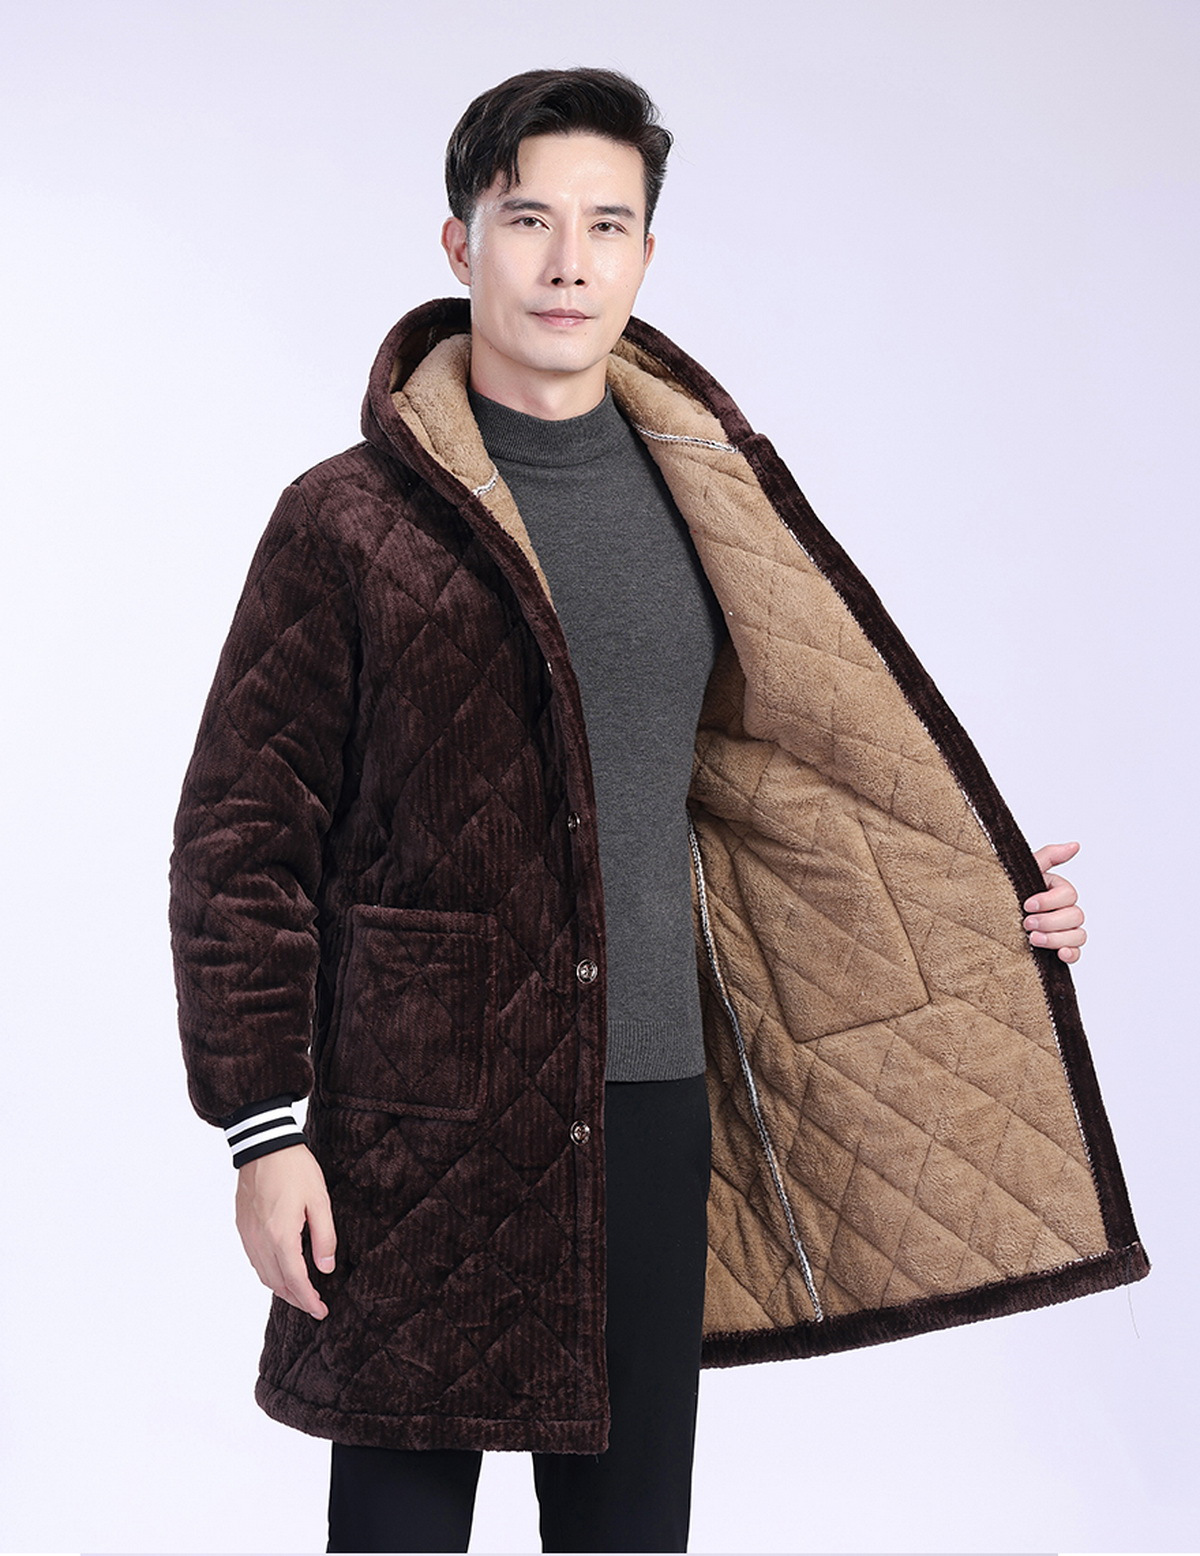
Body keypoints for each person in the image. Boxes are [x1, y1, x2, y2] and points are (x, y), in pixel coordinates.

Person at [168, 67, 1148, 1555]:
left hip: (645, 1098)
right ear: (460, 243)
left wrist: (979, 894)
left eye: (608, 224)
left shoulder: (711, 497)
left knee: (628, 1533)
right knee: (395, 1530)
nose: (568, 261)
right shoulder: (346, 519)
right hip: (412, 1115)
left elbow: (783, 776)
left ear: (646, 254)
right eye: (529, 220)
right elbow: (242, 841)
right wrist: (263, 1132)